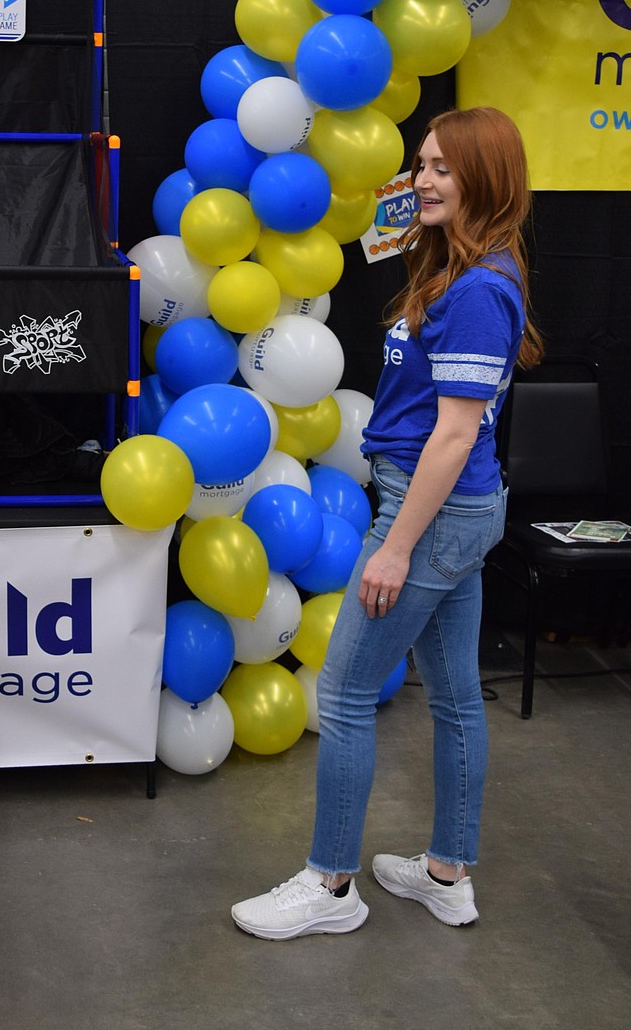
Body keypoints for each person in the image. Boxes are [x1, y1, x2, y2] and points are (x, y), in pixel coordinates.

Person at [232, 106, 541, 942]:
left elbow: (454, 431)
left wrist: (398, 545)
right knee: (452, 694)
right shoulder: (458, 268)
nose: (426, 178)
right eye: (424, 163)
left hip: (431, 509)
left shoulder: (480, 289)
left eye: (445, 167)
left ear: (487, 176)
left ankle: (330, 886)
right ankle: (448, 874)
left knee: (343, 692)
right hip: (454, 507)